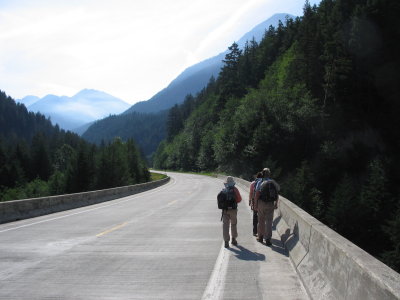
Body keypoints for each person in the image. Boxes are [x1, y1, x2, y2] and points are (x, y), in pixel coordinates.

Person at [254, 168, 280, 246]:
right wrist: (276, 204)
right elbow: (277, 193)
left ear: (262, 173)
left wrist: (255, 204)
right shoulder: (273, 182)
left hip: (261, 203)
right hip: (270, 204)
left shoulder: (259, 182)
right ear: (269, 174)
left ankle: (260, 237)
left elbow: (257, 194)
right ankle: (268, 239)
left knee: (261, 220)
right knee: (269, 221)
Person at [221, 176, 242, 248]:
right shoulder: (235, 189)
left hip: (225, 210)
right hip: (233, 210)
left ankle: (226, 241)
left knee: (225, 225)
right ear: (232, 182)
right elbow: (239, 199)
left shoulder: (224, 189)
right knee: (233, 224)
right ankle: (233, 239)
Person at [249, 172, 262, 236]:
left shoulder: (253, 183)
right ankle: (261, 232)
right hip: (262, 202)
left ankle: (255, 231)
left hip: (254, 201)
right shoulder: (263, 183)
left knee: (255, 216)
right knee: (261, 217)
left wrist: (250, 200)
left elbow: (251, 193)